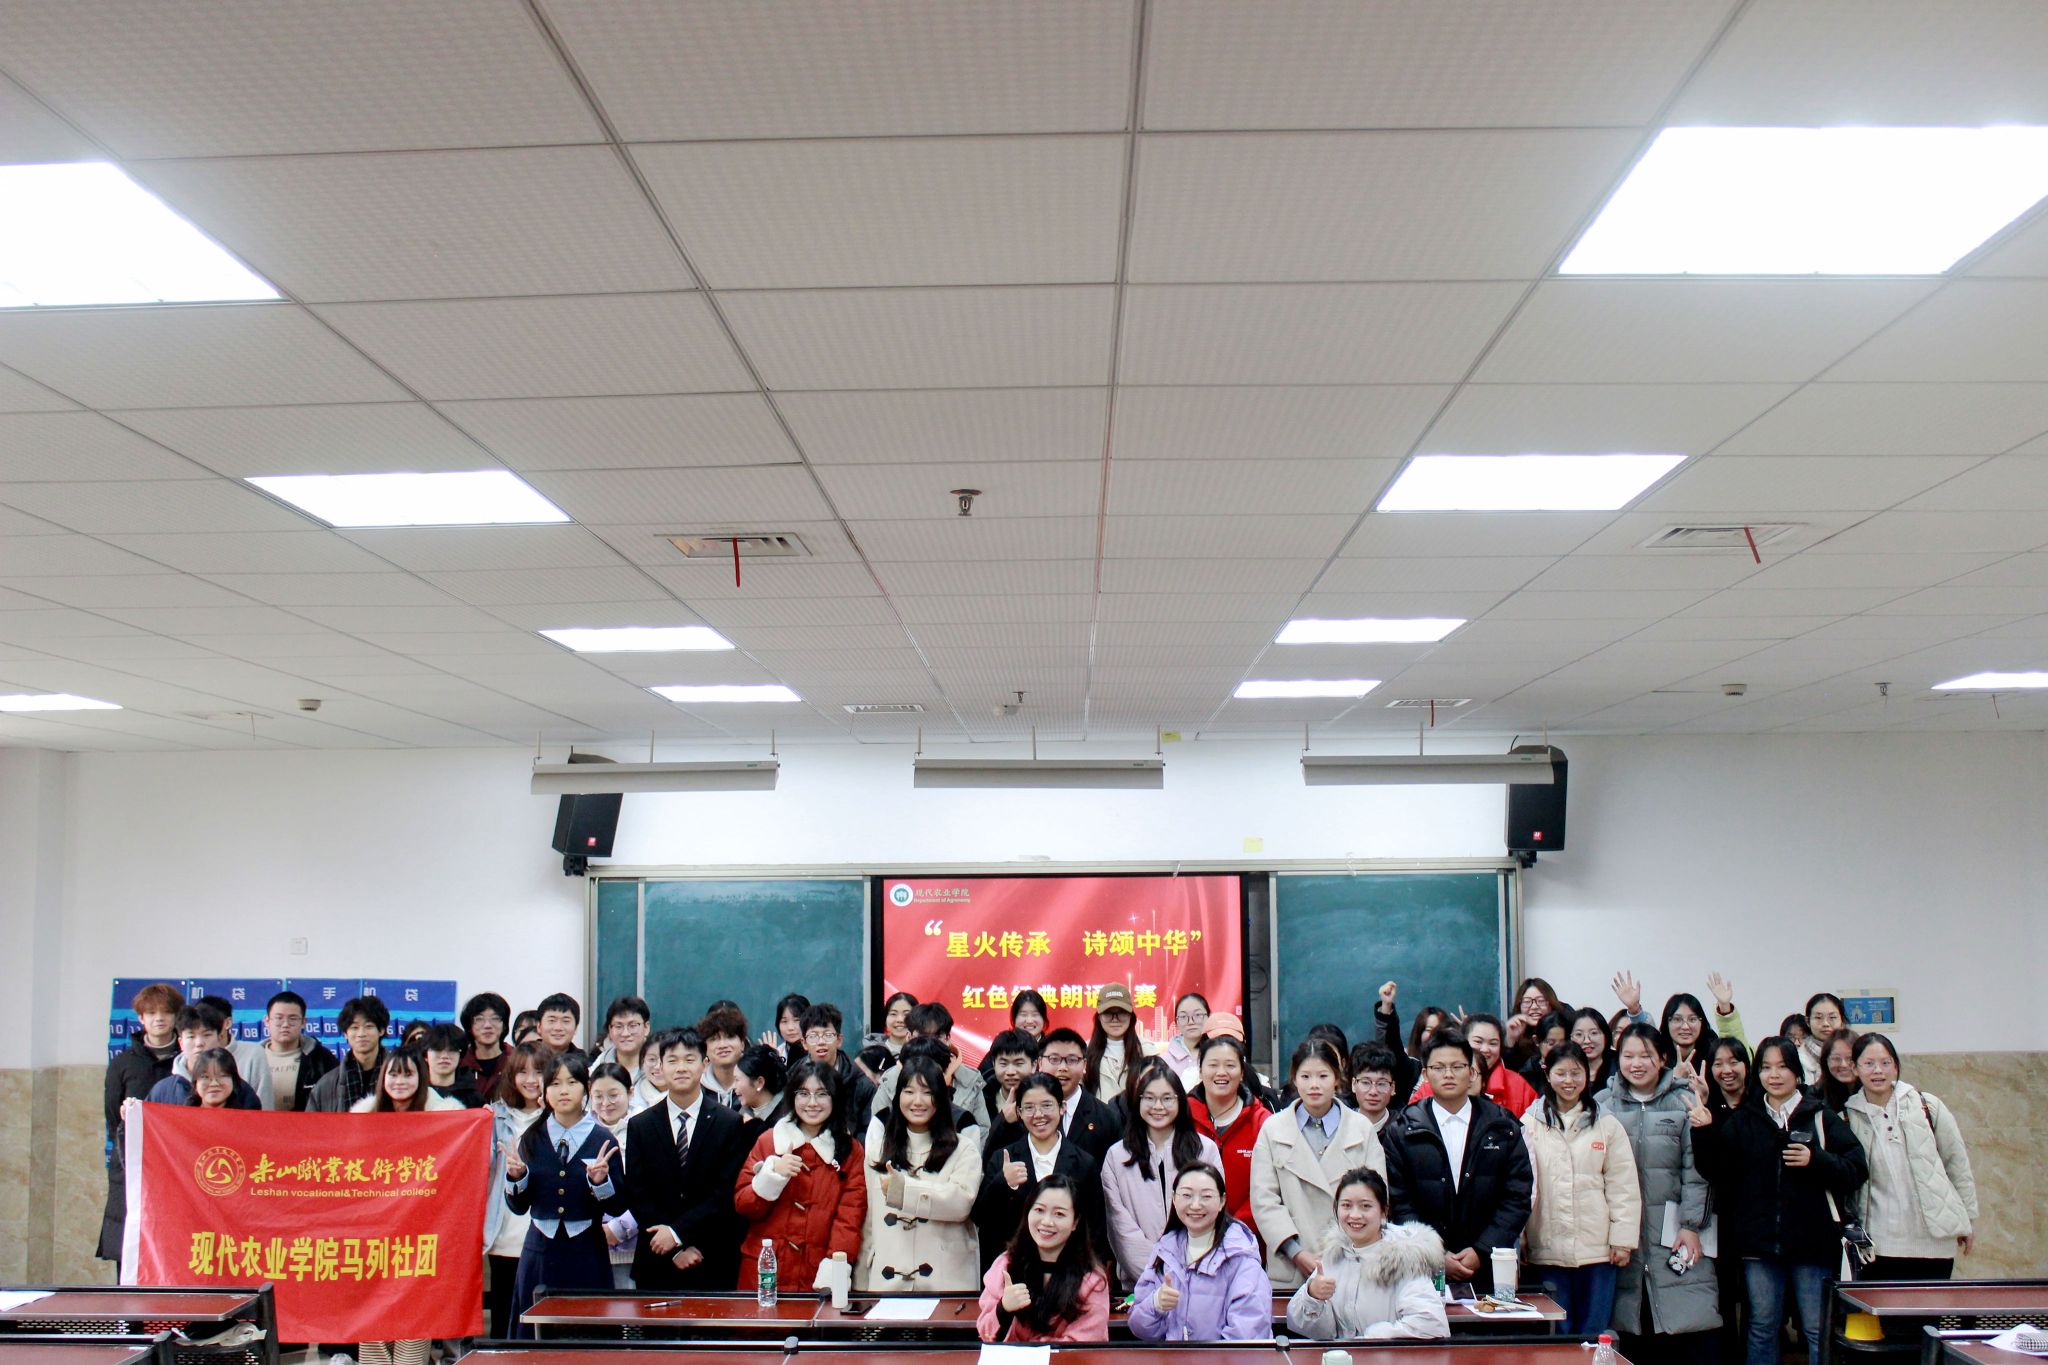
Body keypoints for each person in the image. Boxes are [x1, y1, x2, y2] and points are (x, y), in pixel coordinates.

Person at [1694, 1036, 1866, 1365]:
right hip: (1759, 1247)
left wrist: (1816, 1160)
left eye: (1782, 1067)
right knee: (1761, 1326)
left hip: (1812, 1246)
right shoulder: (1746, 1118)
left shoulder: (1820, 1116)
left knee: (1816, 1328)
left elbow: (1856, 1169)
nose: (1774, 1075)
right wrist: (1702, 1130)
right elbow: (1716, 1171)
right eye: (1766, 1067)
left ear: (1797, 1073)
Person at [1383, 1028, 1532, 1297]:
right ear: (1425, 1074)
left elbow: (1517, 1196)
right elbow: (1399, 1201)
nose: (1448, 1074)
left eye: (1457, 1066)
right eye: (1438, 1067)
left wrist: (1482, 1249)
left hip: (1489, 1266)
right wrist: (1435, 1254)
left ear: (1472, 1072)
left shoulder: (1502, 1126)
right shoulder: (1403, 1130)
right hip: (1422, 1268)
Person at [1604, 1023, 1721, 1365]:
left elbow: (1696, 1171)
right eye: (1628, 1056)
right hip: (1623, 1238)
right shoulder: (1603, 1104)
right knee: (1631, 1328)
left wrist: (1691, 1224)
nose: (1636, 1064)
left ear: (1663, 1059)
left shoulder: (1684, 1100)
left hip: (1675, 1233)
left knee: (1683, 1327)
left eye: (1645, 1056)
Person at [1521, 1043, 1640, 1335]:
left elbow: (1623, 1185)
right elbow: (1521, 1186)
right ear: (1547, 1075)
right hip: (1546, 1248)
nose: (1569, 1081)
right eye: (1561, 1073)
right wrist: (1521, 1237)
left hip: (1598, 1252)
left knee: (1593, 1333)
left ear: (1588, 1075)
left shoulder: (1606, 1124)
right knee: (1556, 1335)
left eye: (1576, 1073)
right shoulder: (1529, 1123)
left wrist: (1622, 1240)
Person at [501, 1050, 621, 1335]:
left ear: (586, 1089)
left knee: (587, 1332)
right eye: (555, 1083)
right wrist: (516, 1178)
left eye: (571, 1082)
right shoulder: (531, 1138)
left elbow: (618, 1206)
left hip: (587, 1251)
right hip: (540, 1252)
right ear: (544, 1092)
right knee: (535, 1331)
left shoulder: (603, 1139)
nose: (563, 1091)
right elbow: (518, 1206)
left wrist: (600, 1182)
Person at [623, 1026, 752, 1290]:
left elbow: (725, 1193)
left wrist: (678, 1233)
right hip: (657, 1257)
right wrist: (672, 1247)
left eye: (689, 1059)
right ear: (660, 1066)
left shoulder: (729, 1123)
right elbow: (638, 1193)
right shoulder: (640, 1125)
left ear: (704, 1064)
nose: (681, 1068)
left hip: (712, 1257)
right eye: (672, 1060)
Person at [1251, 1037, 1385, 1290]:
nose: (1314, 1085)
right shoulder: (1273, 1129)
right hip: (1291, 1266)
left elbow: (1378, 1198)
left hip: (1353, 1262)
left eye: (1323, 1076)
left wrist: (1346, 1249)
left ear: (1337, 1078)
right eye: (1305, 1076)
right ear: (1294, 1078)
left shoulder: (1361, 1129)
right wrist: (1296, 1252)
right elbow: (1264, 1200)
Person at [1843, 1033, 1976, 1280]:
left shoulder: (1927, 1105)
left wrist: (1967, 1220)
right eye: (1868, 1063)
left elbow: (1957, 1163)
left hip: (1935, 1240)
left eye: (1885, 1063)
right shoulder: (1847, 1117)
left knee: (1931, 1306)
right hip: (1878, 1244)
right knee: (1887, 1306)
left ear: (1895, 1066)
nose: (1878, 1071)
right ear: (1854, 1068)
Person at [735, 1057, 867, 1294]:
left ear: (835, 1098)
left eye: (822, 1094)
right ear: (792, 1097)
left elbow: (849, 1218)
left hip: (816, 1273)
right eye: (804, 1094)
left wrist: (835, 1265)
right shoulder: (769, 1141)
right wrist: (772, 1175)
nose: (812, 1103)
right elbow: (744, 1206)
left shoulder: (850, 1150)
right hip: (766, 1271)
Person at [859, 1054, 982, 1291]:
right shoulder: (879, 1147)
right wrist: (862, 1285)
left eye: (927, 1092)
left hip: (946, 1283)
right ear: (898, 1096)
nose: (918, 1101)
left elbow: (960, 1204)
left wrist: (904, 1191)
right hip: (888, 1283)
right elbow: (869, 1219)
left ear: (941, 1098)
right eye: (909, 1091)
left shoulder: (963, 1148)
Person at [1285, 1168, 1449, 1340]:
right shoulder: (1333, 1255)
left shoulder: (1405, 1259)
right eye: (1346, 1205)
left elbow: (1431, 1325)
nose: (1355, 1215)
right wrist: (1312, 1295)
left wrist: (1369, 1339)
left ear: (1384, 1211)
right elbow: (1308, 1328)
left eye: (1366, 1206)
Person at [1102, 1061, 1222, 1291]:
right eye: (1149, 1098)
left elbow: (1212, 1212)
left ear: (1180, 1101)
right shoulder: (1117, 1156)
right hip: (1138, 1285)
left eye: (1167, 1098)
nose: (1158, 1106)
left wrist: (1187, 1274)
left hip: (1199, 1281)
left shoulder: (1204, 1150)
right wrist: (1156, 1276)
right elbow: (1119, 1226)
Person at [976, 1072, 1108, 1274]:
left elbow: (1096, 1228)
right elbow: (980, 1218)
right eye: (1029, 1107)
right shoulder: (1003, 1158)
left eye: (1047, 1105)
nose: (1038, 1115)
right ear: (1019, 1112)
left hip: (1068, 1272)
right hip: (1013, 1270)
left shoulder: (1084, 1163)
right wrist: (1002, 1182)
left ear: (1062, 1107)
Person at [1128, 1163, 1273, 1341]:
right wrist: (1155, 1304)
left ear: (1222, 1201)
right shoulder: (1164, 1251)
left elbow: (1246, 1337)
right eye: (1186, 1195)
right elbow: (1139, 1328)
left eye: (1206, 1196)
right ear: (1174, 1198)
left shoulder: (1242, 1259)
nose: (1195, 1205)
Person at [100, 981, 184, 1262]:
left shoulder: (188, 1061)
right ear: (140, 1018)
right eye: (151, 1013)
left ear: (176, 1017)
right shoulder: (123, 1063)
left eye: (166, 1012)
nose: (159, 1018)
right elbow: (113, 1117)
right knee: (129, 1242)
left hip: (177, 1163)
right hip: (132, 1161)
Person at [978, 1174, 1111, 1343]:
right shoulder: (1005, 1265)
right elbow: (985, 1332)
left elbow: (1084, 1342)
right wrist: (1003, 1309)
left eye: (1059, 1214)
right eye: (1039, 1210)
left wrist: (1031, 1351)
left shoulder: (1092, 1279)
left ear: (1075, 1222)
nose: (1047, 1222)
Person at [485, 1040, 549, 1338]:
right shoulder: (496, 1115)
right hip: (504, 1232)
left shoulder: (561, 1116)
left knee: (541, 1319)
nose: (531, 1080)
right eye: (523, 1072)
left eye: (539, 1071)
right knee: (503, 1320)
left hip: (545, 1233)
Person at [1190, 1033, 1272, 1234]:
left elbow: (1268, 1187)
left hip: (1248, 1239)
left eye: (1230, 1065)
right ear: (1200, 1070)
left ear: (1242, 1072)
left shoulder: (1263, 1122)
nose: (1221, 1072)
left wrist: (1232, 1231)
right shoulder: (1182, 1116)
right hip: (1191, 1235)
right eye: (1213, 1065)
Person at [870, 1002, 990, 1129]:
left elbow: (982, 1129)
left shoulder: (970, 1079)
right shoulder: (891, 1079)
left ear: (948, 1039)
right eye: (923, 1036)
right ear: (909, 1037)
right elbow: (878, 1129)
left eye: (937, 1037)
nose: (930, 1043)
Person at [1409, 1013, 1538, 1118]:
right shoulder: (1438, 1082)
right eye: (1478, 1041)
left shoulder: (1518, 1086)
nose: (1485, 1049)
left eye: (1493, 1043)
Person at [146, 1002, 262, 1108]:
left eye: (207, 1035)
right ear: (181, 1043)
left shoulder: (241, 1091)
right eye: (191, 1036)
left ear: (220, 1038)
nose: (199, 1043)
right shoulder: (163, 1091)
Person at [588, 1060, 640, 1288]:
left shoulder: (645, 1127)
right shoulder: (584, 1131)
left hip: (635, 1246)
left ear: (630, 1092)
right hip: (590, 1245)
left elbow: (652, 1188)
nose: (605, 1103)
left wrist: (620, 1227)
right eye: (598, 1096)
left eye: (613, 1095)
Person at [307, 996, 390, 1112]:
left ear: (381, 1030)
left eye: (369, 1026)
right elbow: (311, 1121)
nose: (361, 1034)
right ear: (345, 1033)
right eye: (354, 1027)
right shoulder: (326, 1084)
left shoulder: (397, 1078)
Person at [799, 1002, 877, 1123]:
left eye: (828, 1035)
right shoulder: (792, 1078)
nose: (821, 1042)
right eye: (813, 1036)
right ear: (804, 1043)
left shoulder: (862, 1086)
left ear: (839, 1040)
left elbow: (868, 1130)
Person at [261, 989, 336, 1112]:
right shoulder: (254, 1057)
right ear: (267, 1021)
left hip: (307, 1123)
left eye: (293, 1019)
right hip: (259, 1123)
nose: (285, 1024)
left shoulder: (321, 1058)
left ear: (303, 1022)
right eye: (279, 1018)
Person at [1085, 983, 1148, 1107]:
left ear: (1131, 1016)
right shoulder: (1084, 1052)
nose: (1115, 1019)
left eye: (1121, 1013)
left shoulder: (1147, 1052)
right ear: (1099, 1017)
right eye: (1108, 1013)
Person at [1504, 977, 1570, 1078]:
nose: (1534, 1007)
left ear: (1551, 1004)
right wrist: (1510, 1041)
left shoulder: (1566, 1024)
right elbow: (1509, 1076)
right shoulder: (1514, 1033)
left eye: (1541, 1001)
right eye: (1527, 1002)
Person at [983, 1028, 1040, 1135]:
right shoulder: (979, 1098)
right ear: (994, 1064)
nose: (1010, 1072)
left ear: (1034, 1065)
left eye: (1018, 1064)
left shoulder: (1047, 1098)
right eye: (1003, 1064)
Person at [699, 1005, 750, 1111]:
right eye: (714, 1039)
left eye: (729, 1037)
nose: (722, 1045)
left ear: (742, 1044)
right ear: (705, 1049)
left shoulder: (755, 1083)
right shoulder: (695, 1088)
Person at [460, 992, 513, 1094]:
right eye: (479, 1019)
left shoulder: (515, 1060)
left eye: (495, 1018)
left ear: (504, 1025)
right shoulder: (460, 1063)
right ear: (469, 1026)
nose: (487, 1025)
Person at [420, 1021, 482, 1108]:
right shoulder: (416, 1095)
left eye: (452, 1050)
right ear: (425, 1055)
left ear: (460, 1055)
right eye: (437, 1049)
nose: (444, 1056)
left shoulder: (473, 1098)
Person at [1347, 1042, 1403, 1136]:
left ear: (1393, 1088)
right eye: (1365, 1082)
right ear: (1353, 1084)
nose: (1373, 1092)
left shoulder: (1403, 1127)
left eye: (1381, 1084)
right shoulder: (1340, 1124)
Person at [594, 995, 652, 1083]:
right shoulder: (599, 1065)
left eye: (632, 1026)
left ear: (646, 1028)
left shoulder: (660, 1066)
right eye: (618, 1026)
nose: (625, 1033)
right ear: (610, 1030)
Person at [734, 1043, 787, 1136]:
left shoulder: (785, 1120)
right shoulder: (736, 1111)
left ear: (759, 1082)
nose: (734, 1086)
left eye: (737, 1080)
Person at [1162, 993, 1209, 1085]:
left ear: (1209, 1016)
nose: (1191, 1022)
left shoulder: (1218, 1053)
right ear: (1176, 1022)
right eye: (1183, 1016)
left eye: (1197, 1015)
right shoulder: (1164, 1060)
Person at [1570, 1006, 1619, 1093]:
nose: (1587, 1041)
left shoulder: (1619, 1065)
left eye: (1594, 1033)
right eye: (1579, 1034)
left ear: (1605, 1036)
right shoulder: (1563, 1066)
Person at [1799, 993, 1846, 1086]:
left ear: (1842, 1021)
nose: (1825, 1024)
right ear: (1807, 1021)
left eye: (1832, 1017)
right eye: (1818, 1017)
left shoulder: (1854, 1054)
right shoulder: (1798, 1057)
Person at [180, 1047, 244, 1110]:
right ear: (195, 1083)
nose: (214, 1084)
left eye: (222, 1075)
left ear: (233, 1080)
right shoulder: (183, 1114)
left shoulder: (244, 1115)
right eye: (205, 1077)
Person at [1819, 1028, 1861, 1112]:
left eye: (1850, 1058)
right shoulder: (1816, 1097)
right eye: (1836, 1058)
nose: (1844, 1065)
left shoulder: (1874, 1094)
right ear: (1825, 1061)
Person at [761, 993, 809, 1061]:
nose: (790, 1028)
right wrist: (772, 1060)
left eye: (797, 1020)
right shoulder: (778, 1052)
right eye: (784, 1021)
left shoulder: (817, 1051)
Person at [872, 991, 917, 1060]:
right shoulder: (872, 1051)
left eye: (907, 1014)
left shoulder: (925, 1052)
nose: (900, 1020)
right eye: (893, 1014)